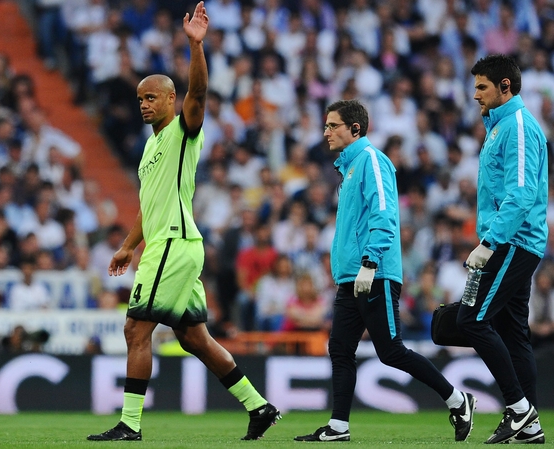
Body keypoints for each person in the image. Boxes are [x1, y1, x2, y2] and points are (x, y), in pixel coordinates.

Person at [87, 3, 280, 442]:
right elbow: (146, 207)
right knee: (194, 338)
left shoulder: (183, 130)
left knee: (136, 328)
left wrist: (196, 46)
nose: (144, 105)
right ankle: (259, 406)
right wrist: (127, 245)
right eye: (139, 99)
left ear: (171, 99)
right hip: (170, 242)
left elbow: (200, 96)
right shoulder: (149, 148)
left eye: (150, 97)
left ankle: (130, 425)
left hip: (174, 244)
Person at [295, 100, 475, 443]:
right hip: (352, 277)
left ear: (356, 129)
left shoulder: (372, 161)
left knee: (391, 350)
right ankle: (338, 427)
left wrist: (370, 262)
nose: (326, 132)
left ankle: (457, 400)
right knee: (340, 349)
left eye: (333, 126)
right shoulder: (349, 168)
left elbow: (384, 215)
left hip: (373, 274)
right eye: (326, 125)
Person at [455, 54, 548, 445]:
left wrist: (489, 242)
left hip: (511, 241)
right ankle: (530, 427)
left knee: (470, 320)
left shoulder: (520, 127)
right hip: (510, 240)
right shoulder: (500, 126)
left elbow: (522, 192)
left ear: (505, 86)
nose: (474, 94)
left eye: (482, 87)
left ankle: (519, 408)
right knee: (514, 335)